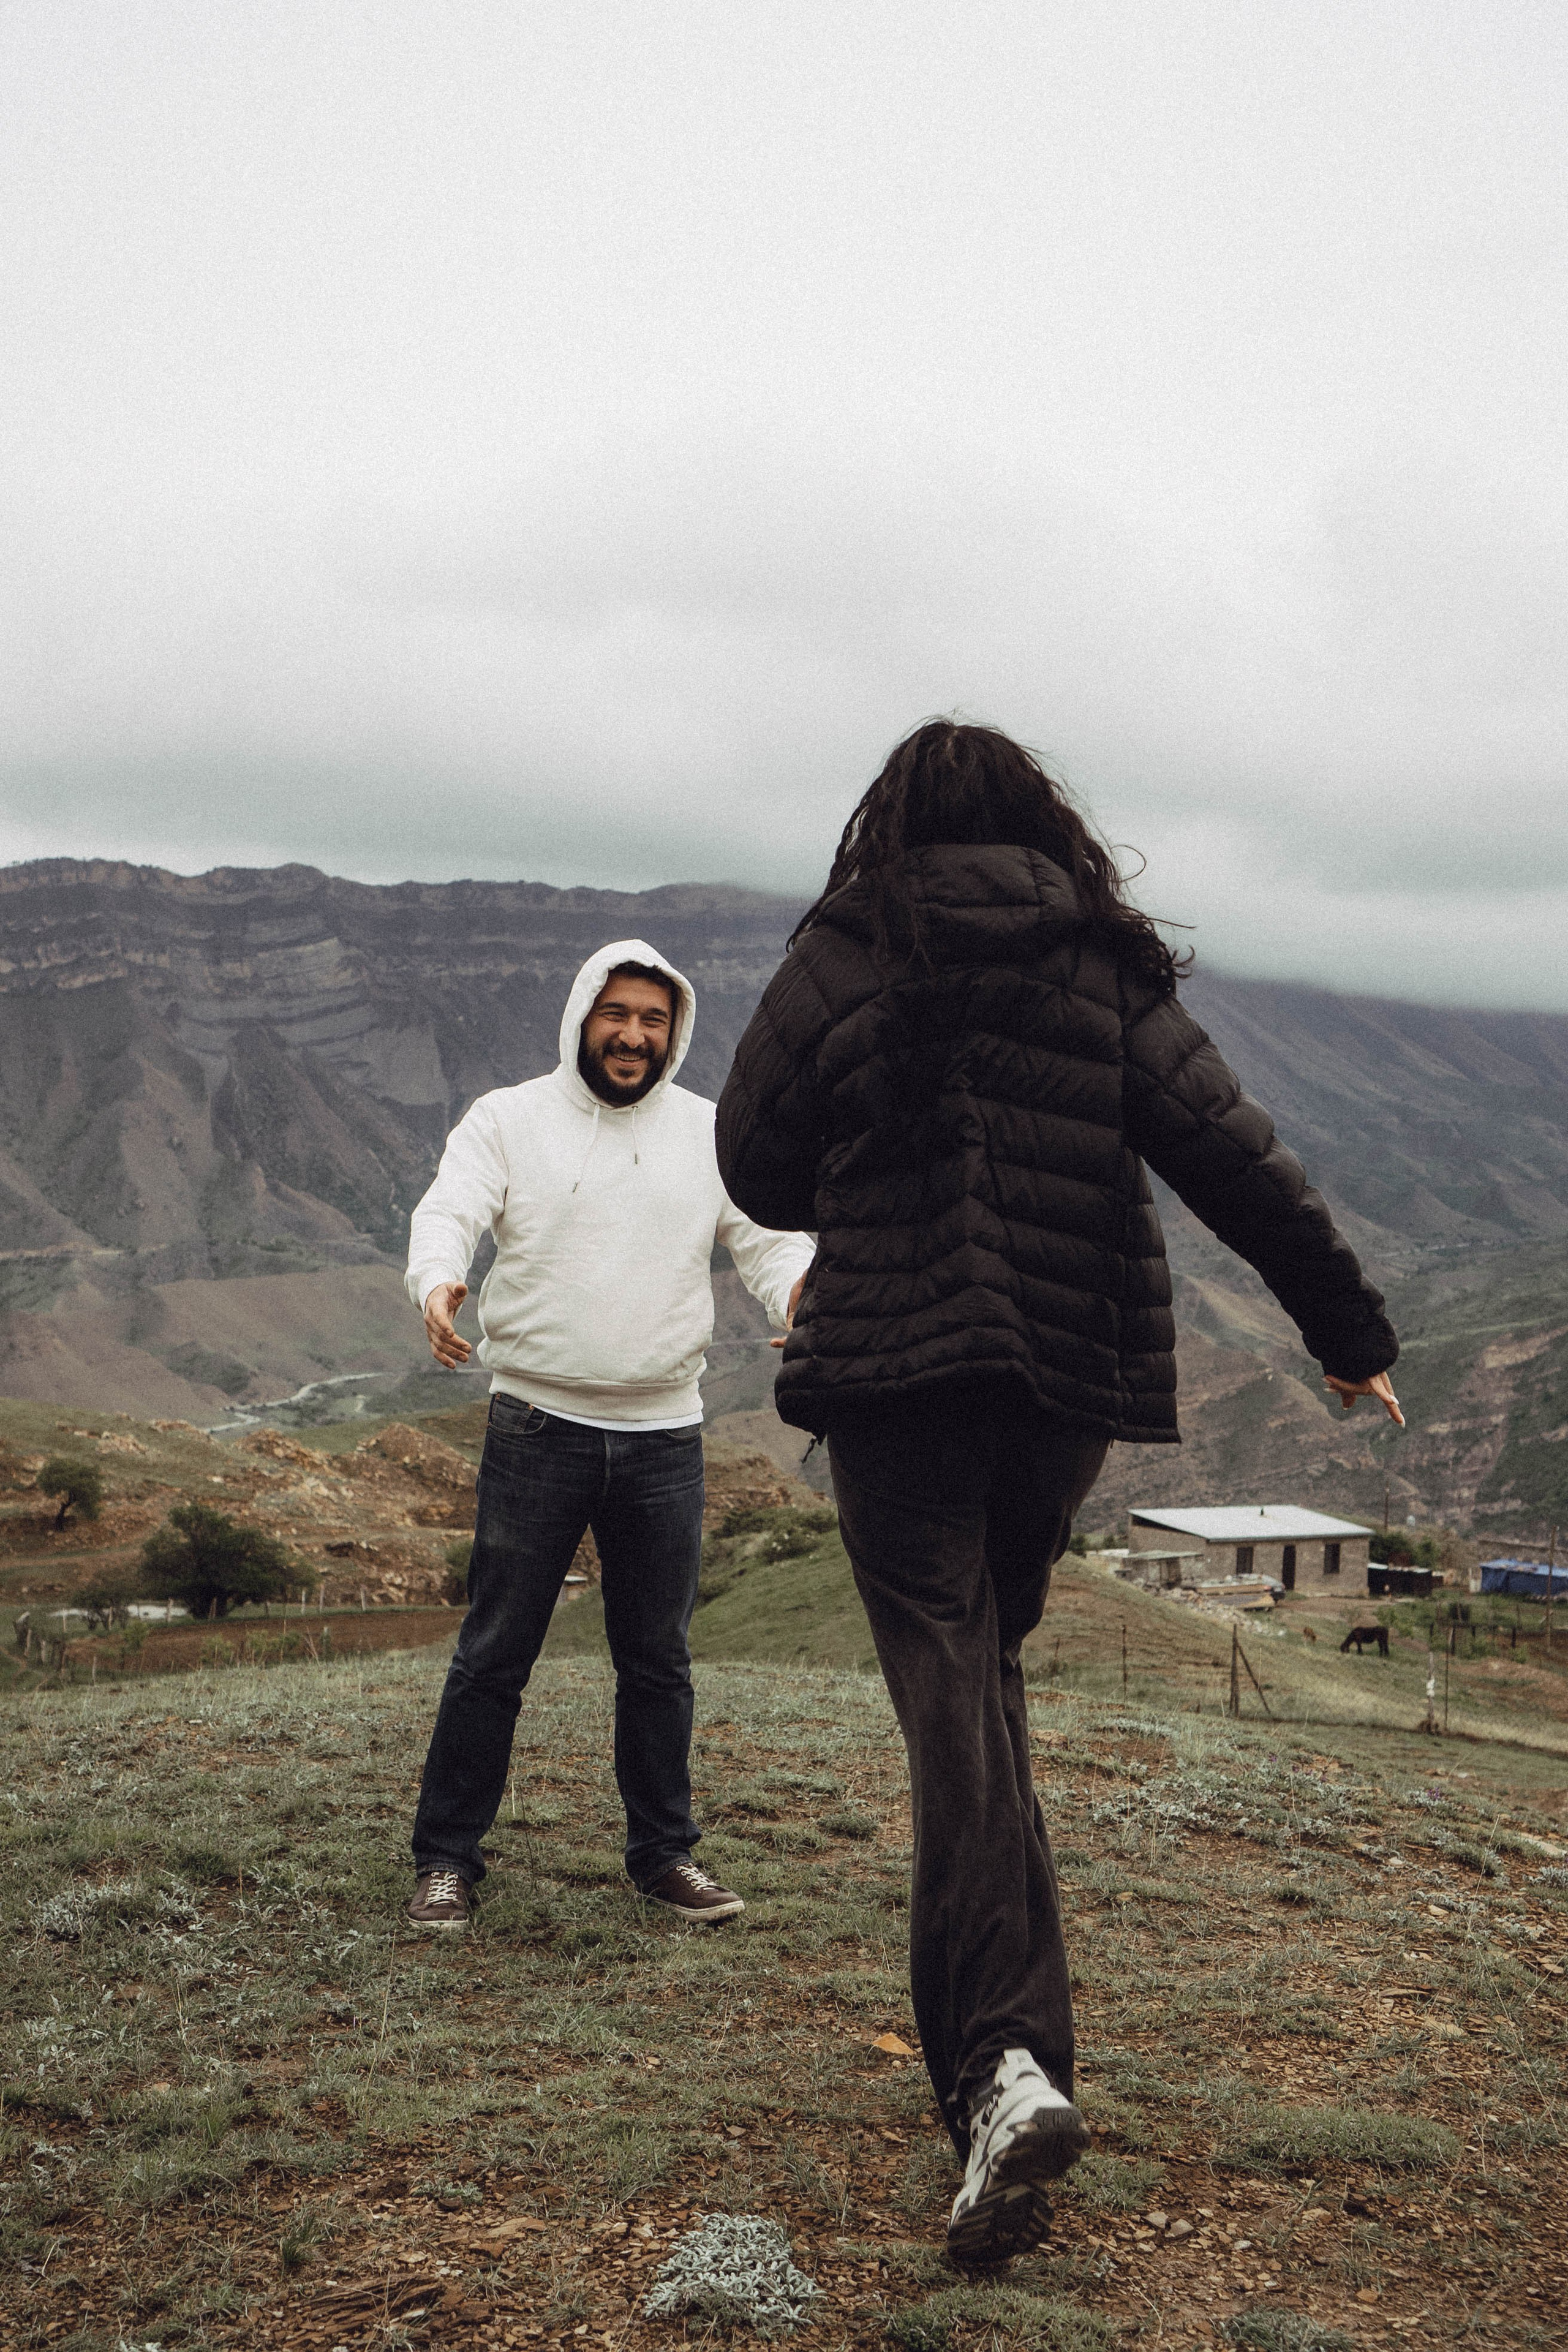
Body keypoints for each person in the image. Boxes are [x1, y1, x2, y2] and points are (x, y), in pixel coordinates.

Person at [715, 721, 1401, 2264]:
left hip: (897, 1377)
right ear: (1040, 820)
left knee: (950, 1704)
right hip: (1059, 1385)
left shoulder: (845, 947)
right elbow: (1233, 1158)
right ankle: (1008, 2078)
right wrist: (1346, 1335)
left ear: (881, 820)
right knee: (986, 1685)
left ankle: (996, 2069)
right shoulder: (1099, 960)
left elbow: (754, 1170)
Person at [405, 940, 814, 1933]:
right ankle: (448, 1861)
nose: (633, 1035)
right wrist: (438, 1281)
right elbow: (449, 1208)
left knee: (658, 1659)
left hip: (665, 1437)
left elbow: (769, 1238)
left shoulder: (710, 1133)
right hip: (536, 1423)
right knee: (495, 1652)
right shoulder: (508, 1119)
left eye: (653, 1019)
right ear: (584, 1014)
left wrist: (808, 1294)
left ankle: (665, 1857)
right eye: (616, 1014)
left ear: (672, 1032)